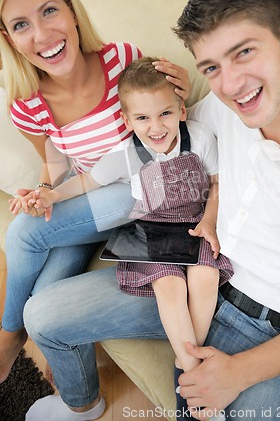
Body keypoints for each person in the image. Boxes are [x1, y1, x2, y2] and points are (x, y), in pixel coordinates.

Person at [20, 0, 280, 421]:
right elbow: (156, 135)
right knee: (41, 316)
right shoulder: (224, 107)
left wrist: (240, 371)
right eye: (212, 66)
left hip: (266, 327)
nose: (232, 85)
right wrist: (55, 183)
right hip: (179, 272)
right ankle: (82, 404)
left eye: (244, 52)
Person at [0, 0, 190, 412]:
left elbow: (161, 116)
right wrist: (44, 193)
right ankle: (79, 391)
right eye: (21, 24)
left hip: (145, 191)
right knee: (42, 301)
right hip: (91, 201)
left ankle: (7, 337)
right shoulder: (27, 103)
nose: (42, 35)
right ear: (6, 37)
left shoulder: (121, 59)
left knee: (23, 233)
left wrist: (182, 87)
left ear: (70, 8)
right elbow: (59, 168)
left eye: (49, 11)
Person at [27, 56, 233, 419]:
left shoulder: (199, 138)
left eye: (165, 114)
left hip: (196, 226)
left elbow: (216, 183)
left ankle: (191, 362)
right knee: (170, 286)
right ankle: (192, 378)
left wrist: (211, 222)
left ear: (181, 110)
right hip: (152, 234)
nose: (156, 127)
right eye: (142, 118)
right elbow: (89, 181)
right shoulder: (126, 155)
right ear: (127, 120)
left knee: (207, 276)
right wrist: (53, 194)